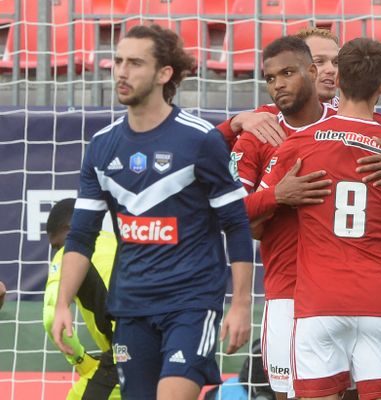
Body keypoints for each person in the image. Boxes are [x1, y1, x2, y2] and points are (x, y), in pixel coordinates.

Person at [51, 24, 254, 400]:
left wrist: (241, 304)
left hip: (191, 305)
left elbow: (236, 225)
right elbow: (81, 237)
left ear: (164, 74)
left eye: (135, 63)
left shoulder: (201, 140)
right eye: (118, 61)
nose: (122, 72)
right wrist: (63, 303)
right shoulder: (100, 147)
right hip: (130, 308)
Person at [260, 37, 381, 400]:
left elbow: (251, 216)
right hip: (379, 301)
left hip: (319, 303)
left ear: (337, 81)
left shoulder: (299, 144)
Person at [232, 36, 336, 400]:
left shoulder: (350, 126)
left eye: (287, 73)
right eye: (270, 77)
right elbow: (229, 215)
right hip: (285, 292)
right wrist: (276, 197)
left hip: (346, 292)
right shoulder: (258, 132)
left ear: (310, 71)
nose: (278, 84)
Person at [218, 27, 381, 185]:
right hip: (281, 256)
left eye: (336, 62)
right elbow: (199, 151)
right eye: (319, 62)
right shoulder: (264, 121)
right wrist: (234, 123)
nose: (330, 69)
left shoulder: (358, 118)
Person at [43, 198, 120, 400]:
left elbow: (51, 317)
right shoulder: (115, 241)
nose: (56, 250)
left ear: (69, 229)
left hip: (126, 349)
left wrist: (80, 360)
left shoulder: (69, 253)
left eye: (56, 244)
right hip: (164, 340)